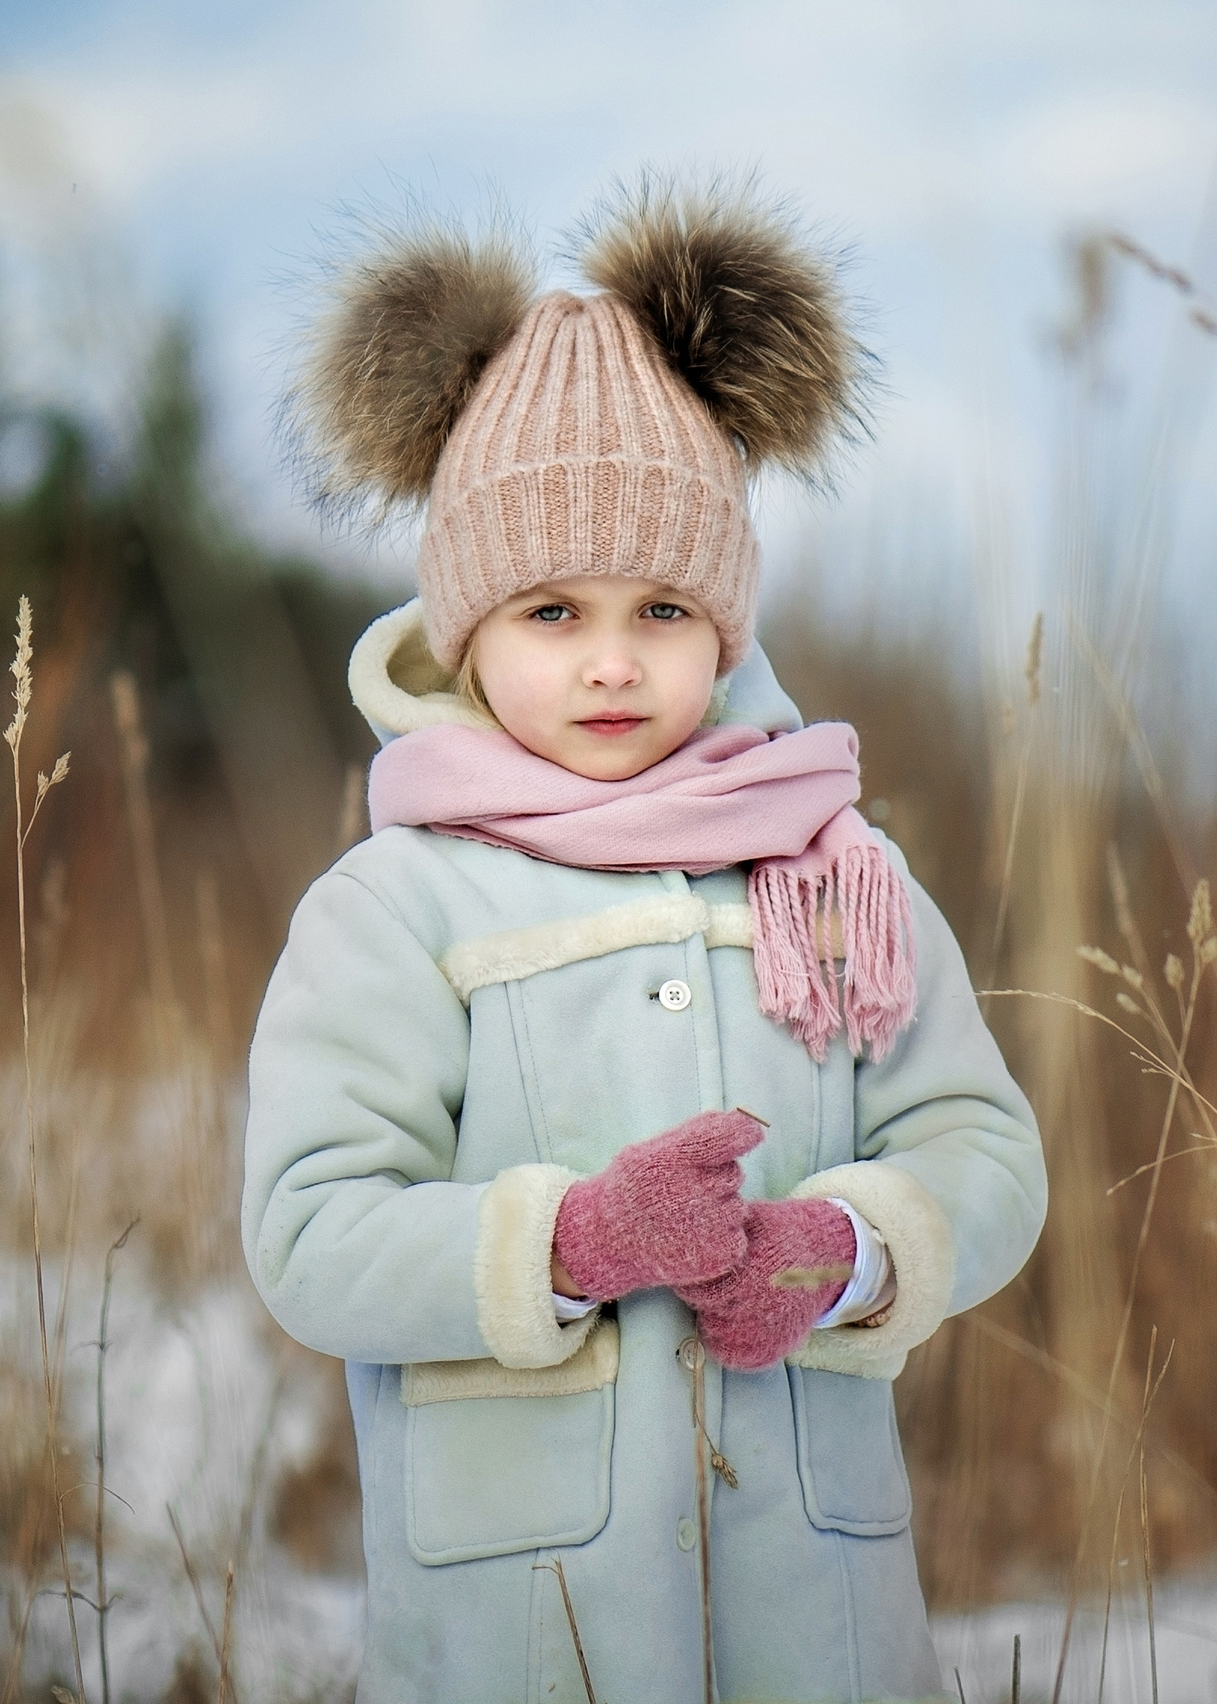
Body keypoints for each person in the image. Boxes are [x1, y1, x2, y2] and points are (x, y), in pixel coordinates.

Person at [242, 182, 1046, 1704]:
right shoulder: (397, 906)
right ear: (464, 626)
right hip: (524, 1637)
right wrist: (567, 1242)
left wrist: (855, 1247)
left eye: (664, 607)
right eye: (550, 609)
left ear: (725, 625)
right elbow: (308, 1233)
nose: (612, 661)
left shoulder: (832, 873)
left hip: (821, 1633)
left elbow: (982, 1149)